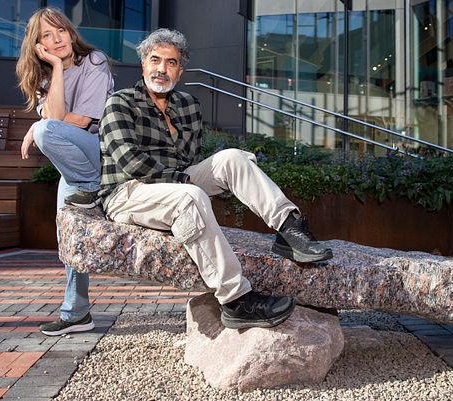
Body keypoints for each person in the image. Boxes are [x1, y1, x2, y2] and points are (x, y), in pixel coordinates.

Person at [98, 28, 333, 330]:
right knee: (190, 197)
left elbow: (190, 161)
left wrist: (187, 179)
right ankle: (236, 300)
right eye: (155, 60)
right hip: (128, 191)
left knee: (233, 157)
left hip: (174, 183)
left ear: (180, 71)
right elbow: (129, 160)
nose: (161, 68)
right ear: (143, 64)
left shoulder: (188, 105)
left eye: (171, 63)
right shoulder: (120, 102)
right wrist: (184, 182)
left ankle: (291, 229)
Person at [16, 7, 114, 336]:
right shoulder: (47, 78)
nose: (57, 39)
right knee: (67, 235)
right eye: (47, 35)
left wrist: (39, 126)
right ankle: (77, 312)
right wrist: (57, 68)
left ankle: (89, 187)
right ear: (38, 45)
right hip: (76, 170)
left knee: (44, 133)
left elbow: (81, 121)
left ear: (71, 33)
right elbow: (57, 117)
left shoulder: (95, 61)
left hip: (102, 156)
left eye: (61, 30)